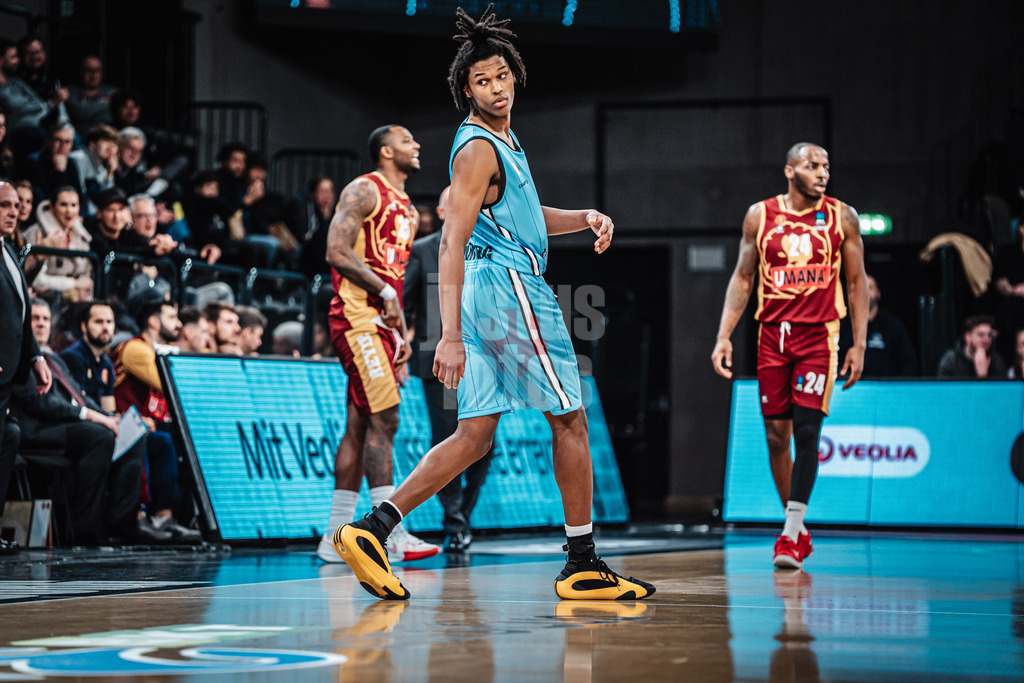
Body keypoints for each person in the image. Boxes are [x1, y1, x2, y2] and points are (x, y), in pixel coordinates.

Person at [329, 8, 653, 602]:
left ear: (515, 75)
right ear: (466, 91)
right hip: (508, 290)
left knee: (475, 435)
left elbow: (524, 219)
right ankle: (581, 563)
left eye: (502, 75)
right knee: (570, 418)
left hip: (491, 287)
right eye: (483, 80)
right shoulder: (478, 148)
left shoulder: (503, 141)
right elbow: (450, 241)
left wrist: (583, 217)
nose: (497, 87)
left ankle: (371, 529)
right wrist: (449, 336)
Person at [711, 141, 868, 570]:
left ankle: (790, 533)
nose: (822, 173)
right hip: (772, 337)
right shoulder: (760, 216)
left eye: (826, 166)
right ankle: (796, 528)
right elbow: (743, 277)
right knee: (776, 438)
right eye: (812, 165)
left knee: (807, 430)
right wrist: (724, 335)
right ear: (789, 171)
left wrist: (859, 343)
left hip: (819, 337)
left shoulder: (842, 217)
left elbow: (857, 282)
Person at [314, 122, 441, 567]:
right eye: (407, 140)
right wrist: (386, 296)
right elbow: (336, 251)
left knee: (359, 425)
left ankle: (334, 536)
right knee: (385, 419)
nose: (416, 144)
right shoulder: (364, 190)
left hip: (381, 325)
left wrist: (399, 328)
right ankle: (389, 533)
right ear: (386, 151)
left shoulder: (407, 208)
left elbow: (393, 278)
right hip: (355, 318)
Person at [15, 298, 151, 545]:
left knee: (130, 433)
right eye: (35, 318)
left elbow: (79, 397)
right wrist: (92, 416)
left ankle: (122, 525)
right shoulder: (19, 358)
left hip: (65, 426)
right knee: (99, 436)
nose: (42, 324)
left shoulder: (54, 360)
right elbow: (40, 403)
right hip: (38, 429)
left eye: (46, 319)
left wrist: (109, 418)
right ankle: (87, 531)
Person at [404, 185, 494, 553]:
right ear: (441, 212)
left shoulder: (486, 247)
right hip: (439, 359)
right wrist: (404, 343)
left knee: (485, 445)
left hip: (485, 361)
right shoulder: (423, 250)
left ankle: (463, 516)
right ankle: (455, 523)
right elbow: (404, 302)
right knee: (450, 439)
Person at [111, 299, 202, 543]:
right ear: (153, 322)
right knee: (160, 440)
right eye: (171, 317)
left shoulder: (157, 350)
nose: (178, 323)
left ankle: (165, 518)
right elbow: (170, 385)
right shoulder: (136, 348)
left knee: (166, 441)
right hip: (122, 425)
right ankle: (139, 517)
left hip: (148, 427)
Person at [0, 181, 53, 555]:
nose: (13, 211)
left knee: (7, 438)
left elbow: (19, 315)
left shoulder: (8, 249)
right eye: (4, 204)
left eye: (17, 205)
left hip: (9, 373)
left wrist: (36, 357)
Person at [23, 185, 94, 302]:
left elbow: (86, 274)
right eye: (63, 205)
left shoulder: (82, 236)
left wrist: (82, 287)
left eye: (73, 205)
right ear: (52, 208)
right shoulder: (36, 232)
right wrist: (74, 283)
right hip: (42, 300)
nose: (69, 210)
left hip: (74, 301)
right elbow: (37, 280)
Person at [838, 274, 917, 376]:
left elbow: (908, 362)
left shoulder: (892, 325)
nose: (865, 292)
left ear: (878, 293)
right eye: (861, 288)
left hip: (886, 384)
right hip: (850, 384)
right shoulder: (842, 326)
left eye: (870, 287)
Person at [60, 300, 118, 411]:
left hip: (100, 419)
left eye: (109, 322)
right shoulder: (72, 357)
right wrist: (109, 418)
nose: (105, 327)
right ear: (84, 326)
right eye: (99, 321)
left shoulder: (106, 363)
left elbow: (109, 407)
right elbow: (80, 405)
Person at [936, 314, 1007, 378]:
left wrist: (983, 376)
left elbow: (1001, 387)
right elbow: (944, 387)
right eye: (981, 335)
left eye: (989, 335)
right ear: (967, 337)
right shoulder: (951, 360)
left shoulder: (996, 361)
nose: (987, 339)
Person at [65, 55, 116, 136]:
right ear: (81, 72)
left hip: (108, 136)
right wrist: (104, 109)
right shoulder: (70, 92)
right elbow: (79, 113)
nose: (93, 74)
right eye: (88, 70)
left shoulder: (113, 92)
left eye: (97, 70)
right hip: (80, 136)